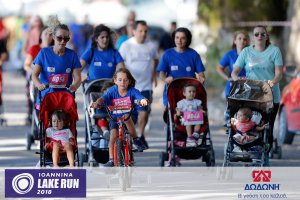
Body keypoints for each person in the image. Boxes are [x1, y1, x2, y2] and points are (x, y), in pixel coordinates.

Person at [231, 25, 283, 152]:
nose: (259, 36)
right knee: (249, 122)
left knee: (267, 126)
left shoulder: (275, 51)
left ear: (266, 37)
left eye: (262, 34)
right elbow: (234, 72)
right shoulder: (246, 52)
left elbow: (279, 73)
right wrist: (237, 79)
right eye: (256, 34)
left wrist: (273, 82)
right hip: (251, 95)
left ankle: (266, 152)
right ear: (253, 38)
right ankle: (248, 148)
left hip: (270, 94)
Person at [90, 68, 149, 167]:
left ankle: (135, 139)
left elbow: (140, 97)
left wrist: (143, 100)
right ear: (115, 80)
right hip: (115, 117)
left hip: (129, 116)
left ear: (129, 81)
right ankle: (111, 159)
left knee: (126, 115)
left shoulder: (132, 91)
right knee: (113, 136)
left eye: (125, 80)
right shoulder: (112, 90)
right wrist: (97, 102)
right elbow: (103, 98)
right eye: (120, 80)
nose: (123, 82)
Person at [119, 20, 159, 149]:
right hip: (129, 87)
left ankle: (141, 135)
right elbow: (120, 63)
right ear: (134, 31)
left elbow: (156, 59)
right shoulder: (126, 45)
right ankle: (132, 137)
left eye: (145, 31)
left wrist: (154, 75)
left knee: (144, 111)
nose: (143, 34)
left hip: (145, 85)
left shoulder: (151, 46)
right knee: (131, 115)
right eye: (140, 31)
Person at [32, 21, 81, 107]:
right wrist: (39, 85)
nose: (62, 41)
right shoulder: (44, 53)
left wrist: (75, 85)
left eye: (66, 39)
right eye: (59, 38)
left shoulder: (72, 55)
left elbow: (77, 77)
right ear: (54, 37)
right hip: (46, 96)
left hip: (65, 96)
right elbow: (34, 75)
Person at [157, 27, 206, 106]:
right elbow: (161, 74)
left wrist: (201, 78)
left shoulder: (193, 54)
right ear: (174, 39)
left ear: (187, 40)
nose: (179, 41)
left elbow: (201, 74)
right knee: (171, 114)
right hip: (172, 91)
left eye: (182, 38)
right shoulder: (167, 54)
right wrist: (166, 79)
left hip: (190, 93)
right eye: (177, 38)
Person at [23, 26, 54, 123]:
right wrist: (33, 72)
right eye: (46, 34)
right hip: (37, 78)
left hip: (51, 79)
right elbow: (27, 65)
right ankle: (35, 114)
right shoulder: (35, 48)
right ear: (41, 36)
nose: (48, 36)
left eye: (50, 34)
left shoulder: (55, 50)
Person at [216, 30, 250, 98]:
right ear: (235, 41)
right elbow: (219, 68)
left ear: (247, 42)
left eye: (244, 39)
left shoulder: (251, 55)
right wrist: (228, 78)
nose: (242, 41)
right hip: (232, 89)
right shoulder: (229, 54)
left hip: (248, 89)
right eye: (239, 38)